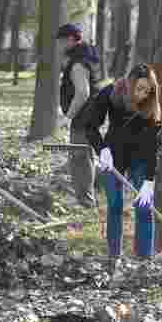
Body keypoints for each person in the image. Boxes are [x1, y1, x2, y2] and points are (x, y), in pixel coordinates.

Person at [82, 63, 162, 273]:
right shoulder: (111, 93)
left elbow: (153, 144)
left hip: (140, 158)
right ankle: (114, 257)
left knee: (144, 208)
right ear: (129, 83)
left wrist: (149, 180)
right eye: (140, 88)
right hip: (113, 157)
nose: (143, 94)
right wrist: (102, 149)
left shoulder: (150, 105)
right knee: (115, 206)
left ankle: (144, 260)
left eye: (148, 90)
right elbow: (90, 126)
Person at [56, 23, 101, 207]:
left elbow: (83, 92)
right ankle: (86, 197)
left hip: (84, 117)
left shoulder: (78, 63)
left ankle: (86, 201)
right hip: (88, 115)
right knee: (82, 156)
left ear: (70, 40)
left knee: (80, 158)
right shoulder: (83, 57)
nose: (58, 45)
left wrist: (68, 117)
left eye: (60, 41)